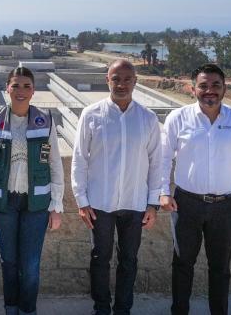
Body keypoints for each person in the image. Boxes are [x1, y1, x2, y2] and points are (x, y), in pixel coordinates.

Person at [160, 63, 231, 315]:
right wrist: (162, 191)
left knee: (220, 268)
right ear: (193, 89)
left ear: (224, 88)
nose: (210, 91)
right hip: (186, 204)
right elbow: (163, 158)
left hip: (225, 207)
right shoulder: (178, 118)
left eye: (216, 85)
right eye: (203, 86)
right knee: (182, 264)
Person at [0, 67, 64, 315]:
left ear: (33, 90)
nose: (21, 91)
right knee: (8, 263)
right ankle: (11, 308)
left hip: (37, 205)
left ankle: (27, 310)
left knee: (30, 265)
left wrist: (56, 205)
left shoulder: (45, 120)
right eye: (16, 85)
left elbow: (55, 162)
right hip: (3, 203)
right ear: (7, 89)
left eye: (26, 86)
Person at [71, 59, 163, 315]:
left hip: (135, 204)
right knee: (100, 259)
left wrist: (153, 204)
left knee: (129, 261)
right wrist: (81, 200)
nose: (121, 84)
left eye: (127, 79)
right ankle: (101, 308)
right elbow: (79, 158)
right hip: (100, 203)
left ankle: (123, 309)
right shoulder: (91, 114)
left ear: (135, 81)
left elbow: (157, 163)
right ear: (107, 80)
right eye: (116, 79)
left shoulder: (147, 118)